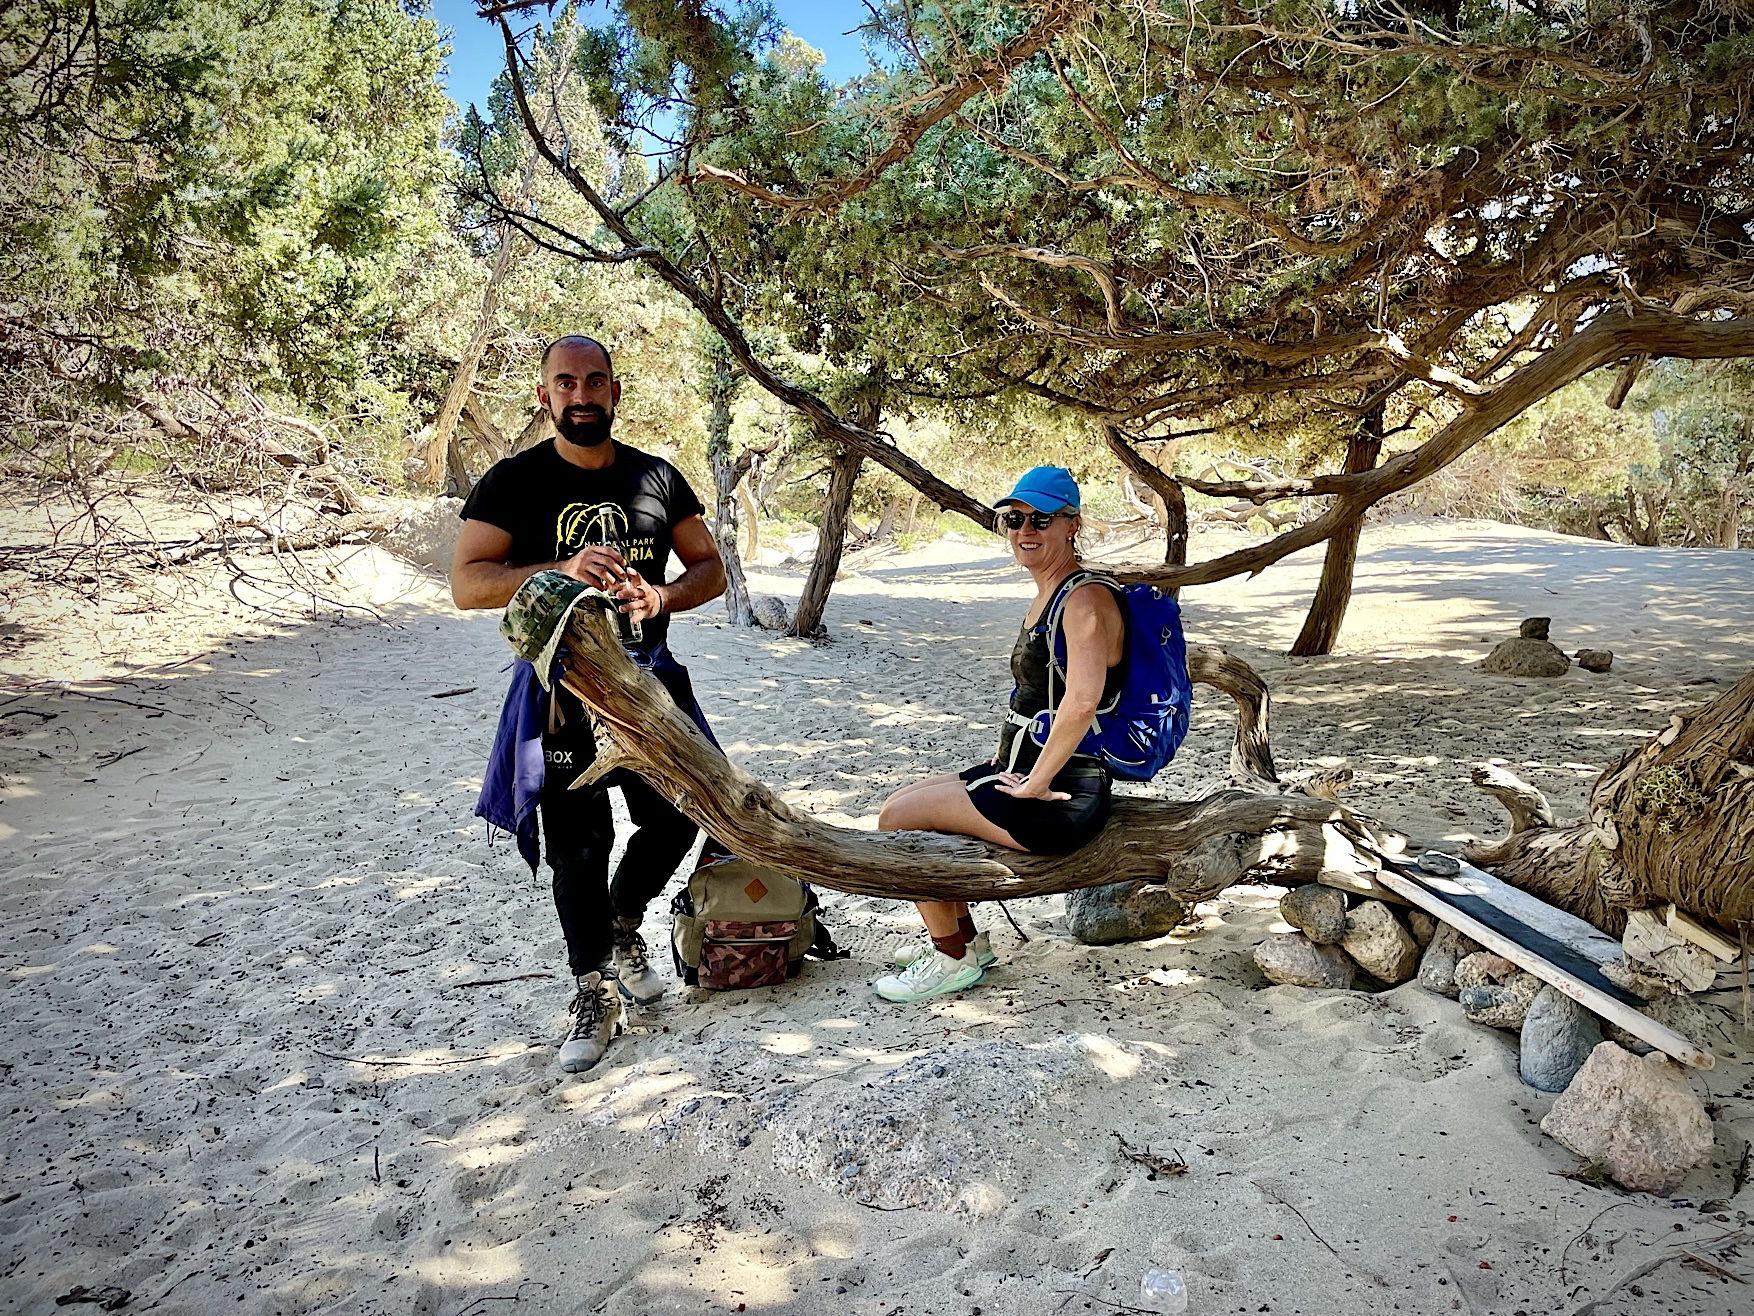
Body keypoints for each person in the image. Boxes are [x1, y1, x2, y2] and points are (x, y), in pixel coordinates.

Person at [452, 334, 727, 1072]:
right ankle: (593, 992)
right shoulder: (513, 482)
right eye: (565, 383)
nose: (581, 395)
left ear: (614, 391)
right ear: (544, 396)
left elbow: (712, 569)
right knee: (579, 846)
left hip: (651, 686)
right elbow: (469, 584)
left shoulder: (655, 477)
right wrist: (562, 569)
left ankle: (622, 921)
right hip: (558, 694)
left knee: (682, 816)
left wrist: (662, 592)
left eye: (594, 381)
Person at [871, 466, 1125, 1003]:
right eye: (1014, 519)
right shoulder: (1053, 593)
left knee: (897, 821)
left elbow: (1081, 702)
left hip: (1059, 794)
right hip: (1028, 770)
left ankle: (951, 957)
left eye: (1041, 519)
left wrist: (1035, 781)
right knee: (903, 802)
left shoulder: (1083, 600)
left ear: (1071, 525)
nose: (1025, 530)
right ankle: (967, 940)